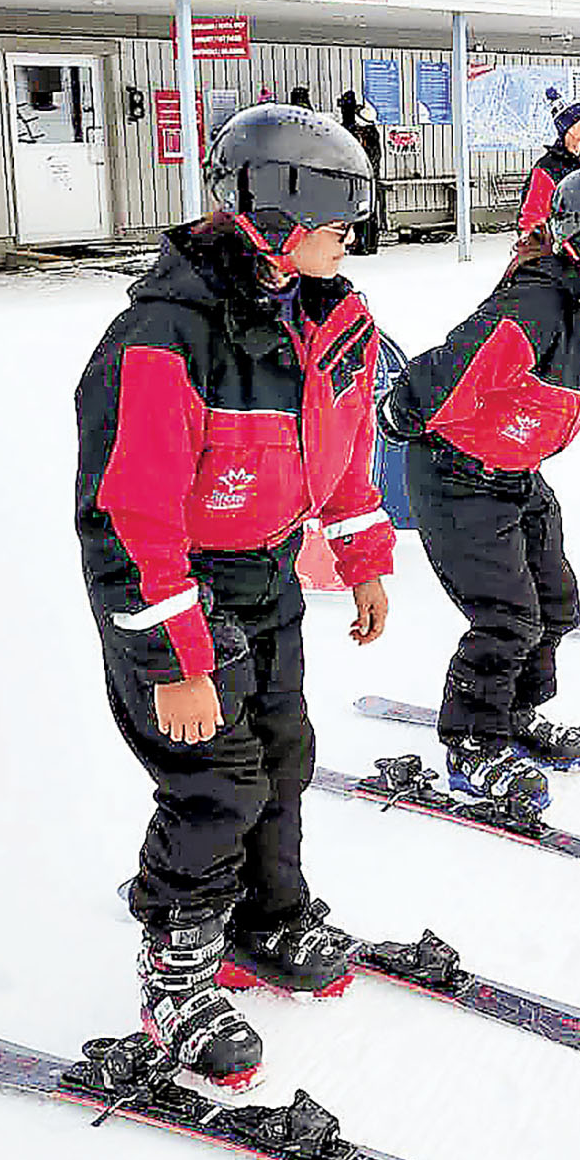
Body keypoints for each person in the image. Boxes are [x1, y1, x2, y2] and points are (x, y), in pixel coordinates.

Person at [73, 104, 394, 1091]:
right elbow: (127, 516)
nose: (356, 237)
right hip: (177, 588)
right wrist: (174, 659)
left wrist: (362, 552)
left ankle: (263, 916)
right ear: (275, 215)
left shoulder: (333, 313)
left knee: (283, 752)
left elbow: (341, 453)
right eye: (342, 218)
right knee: (216, 779)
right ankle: (175, 968)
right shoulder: (165, 337)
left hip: (266, 578)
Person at [379, 165, 580, 816]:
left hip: (515, 474)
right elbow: (453, 367)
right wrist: (400, 413)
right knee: (507, 617)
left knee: (555, 605)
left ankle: (514, 712)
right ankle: (473, 744)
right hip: (457, 478)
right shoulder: (536, 304)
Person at [517, 96, 580, 235]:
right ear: (569, 128)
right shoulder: (548, 168)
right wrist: (532, 244)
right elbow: (533, 214)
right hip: (565, 240)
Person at [337, 89, 386, 255]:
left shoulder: (368, 136)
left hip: (365, 180)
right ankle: (365, 244)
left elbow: (366, 160)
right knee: (366, 213)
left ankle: (365, 245)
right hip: (366, 179)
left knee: (366, 214)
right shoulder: (369, 133)